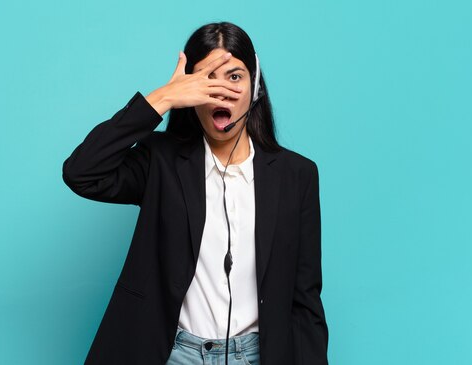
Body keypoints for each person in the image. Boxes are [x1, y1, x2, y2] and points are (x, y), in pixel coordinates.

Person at [62, 21, 328, 365]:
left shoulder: (298, 176)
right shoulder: (161, 161)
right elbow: (82, 172)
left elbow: (305, 301)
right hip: (173, 354)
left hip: (257, 355)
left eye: (234, 77)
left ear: (255, 85)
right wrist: (164, 98)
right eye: (206, 79)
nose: (221, 91)